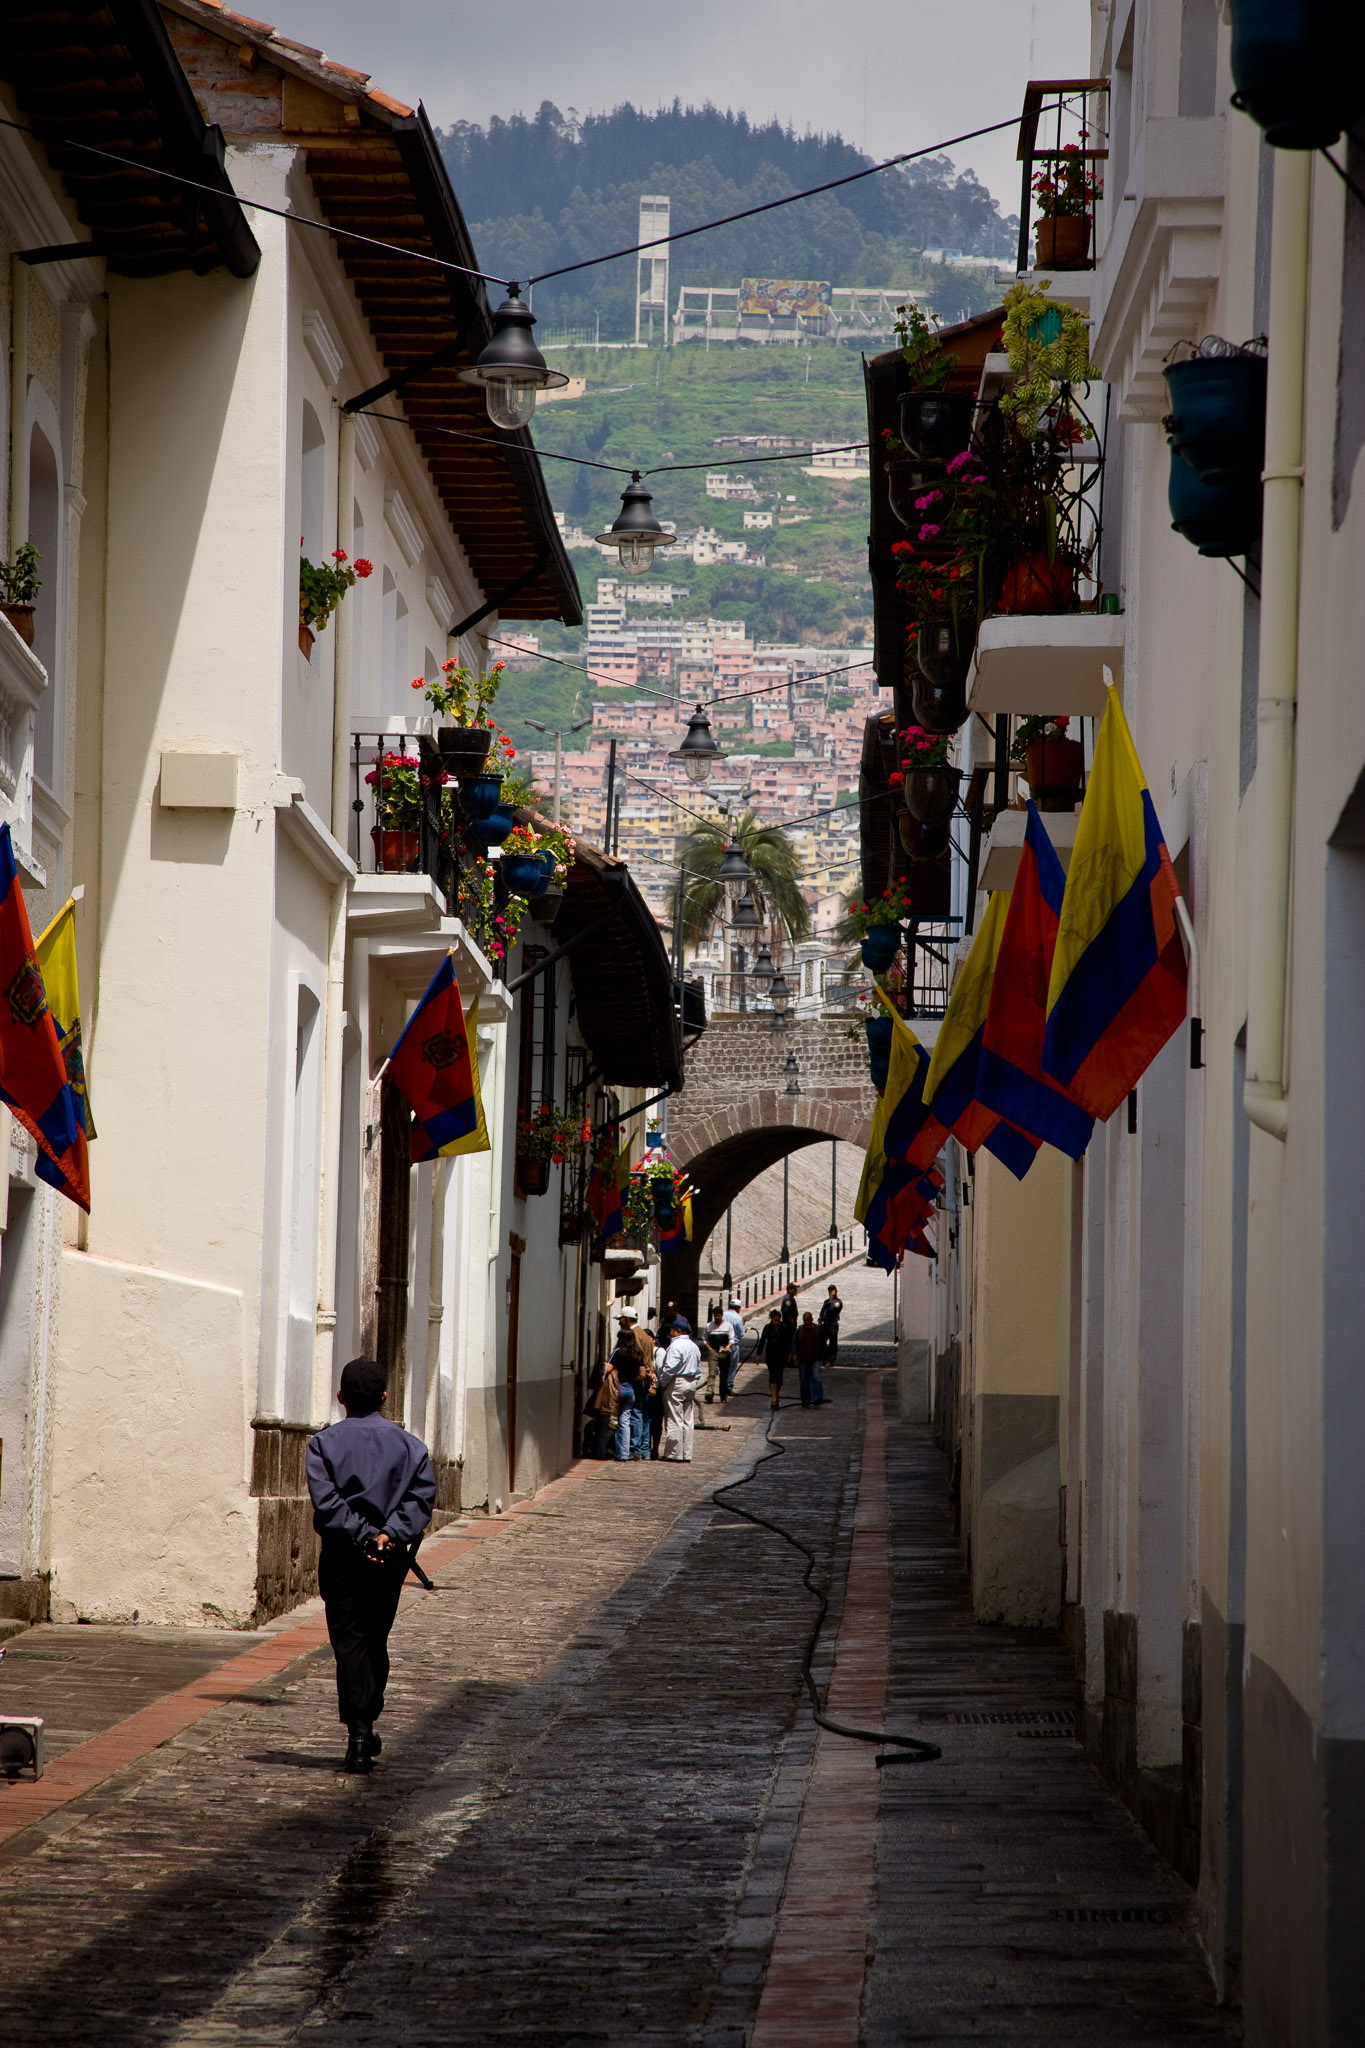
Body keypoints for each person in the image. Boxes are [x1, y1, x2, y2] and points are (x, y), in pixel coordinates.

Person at [306, 1356, 436, 1774]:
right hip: (390, 1558)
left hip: (343, 1555)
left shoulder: (322, 1445)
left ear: (341, 1397)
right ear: (384, 1396)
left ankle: (359, 1730)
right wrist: (389, 1534)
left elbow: (327, 1503)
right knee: (376, 1635)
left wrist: (361, 1532)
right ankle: (366, 1719)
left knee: (349, 1641)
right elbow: (421, 1499)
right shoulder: (411, 1447)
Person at [658, 1316, 703, 1460]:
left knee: (674, 1418)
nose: (670, 1333)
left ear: (677, 1331)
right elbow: (698, 1369)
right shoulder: (694, 1346)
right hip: (691, 1383)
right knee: (688, 1420)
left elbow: (670, 1367)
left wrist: (663, 1383)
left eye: (672, 1330)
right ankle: (686, 1453)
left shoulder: (676, 1346)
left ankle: (674, 1453)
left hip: (677, 1382)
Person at [754, 1308, 790, 1411]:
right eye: (775, 1320)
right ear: (772, 1319)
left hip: (781, 1356)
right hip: (771, 1356)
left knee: (779, 1378)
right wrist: (758, 1354)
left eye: (778, 1320)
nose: (777, 1322)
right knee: (773, 1376)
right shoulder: (767, 1328)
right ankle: (773, 1398)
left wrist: (790, 1354)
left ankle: (777, 1395)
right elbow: (762, 1341)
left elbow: (788, 1342)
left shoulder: (784, 1328)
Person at [705, 1306, 735, 1402]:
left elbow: (732, 1339)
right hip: (713, 1351)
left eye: (718, 1315)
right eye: (715, 1316)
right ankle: (709, 1393)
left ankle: (723, 1395)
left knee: (724, 1374)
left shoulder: (728, 1326)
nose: (716, 1318)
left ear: (721, 1315)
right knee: (712, 1373)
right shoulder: (709, 1326)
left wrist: (727, 1347)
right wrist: (709, 1349)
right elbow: (704, 1339)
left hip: (724, 1352)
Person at [796, 1311, 826, 1408]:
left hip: (815, 1358)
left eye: (809, 1320)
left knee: (816, 1378)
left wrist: (824, 1356)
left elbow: (823, 1343)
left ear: (812, 1319)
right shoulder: (800, 1330)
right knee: (804, 1380)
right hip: (803, 1359)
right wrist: (793, 1354)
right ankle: (805, 1399)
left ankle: (817, 1398)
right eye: (805, 1320)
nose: (807, 1322)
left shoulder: (818, 1330)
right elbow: (794, 1342)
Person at [818, 1284, 844, 1366]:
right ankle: (824, 1358)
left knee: (832, 1342)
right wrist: (820, 1319)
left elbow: (832, 1310)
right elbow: (822, 1311)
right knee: (822, 1341)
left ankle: (831, 1359)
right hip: (825, 1323)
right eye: (831, 1290)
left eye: (834, 1290)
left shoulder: (837, 1302)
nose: (832, 1292)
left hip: (832, 1323)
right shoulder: (826, 1302)